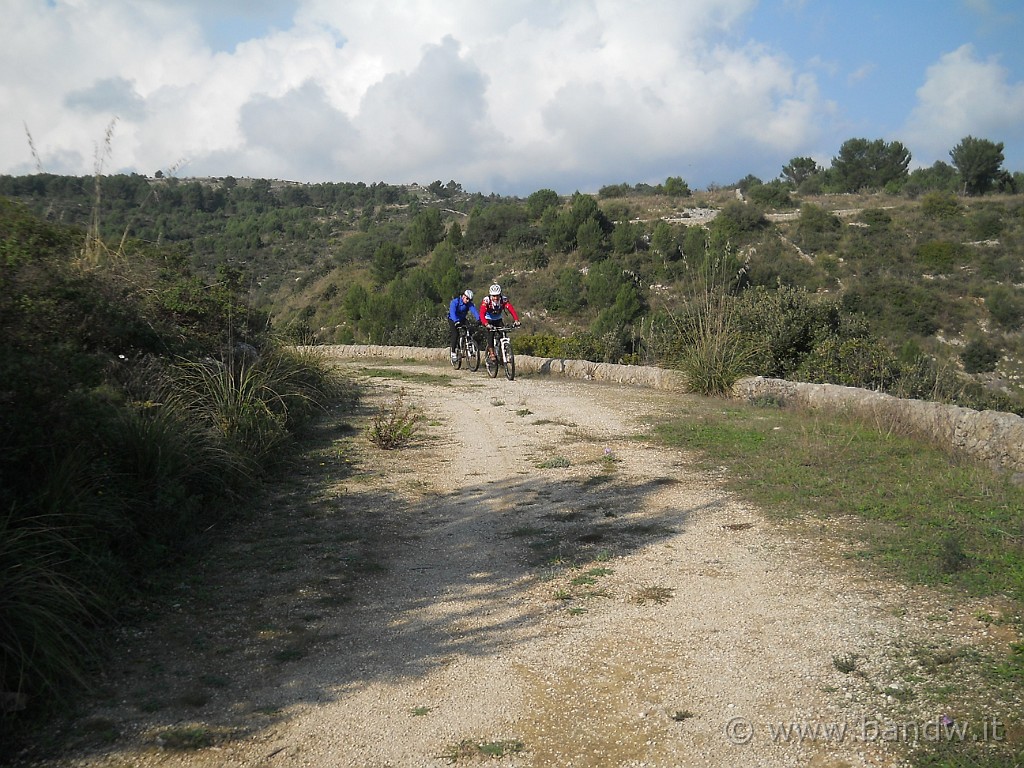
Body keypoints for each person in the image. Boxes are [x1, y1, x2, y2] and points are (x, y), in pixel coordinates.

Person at [479, 283, 520, 360]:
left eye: (497, 295)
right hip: (489, 320)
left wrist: (516, 320)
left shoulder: (503, 300)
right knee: (490, 334)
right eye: (493, 296)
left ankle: (503, 351)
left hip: (498, 319)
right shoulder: (486, 301)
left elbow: (511, 309)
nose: (495, 298)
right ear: (491, 295)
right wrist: (486, 323)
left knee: (503, 333)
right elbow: (481, 313)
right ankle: (491, 353)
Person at [448, 289, 480, 364]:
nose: (468, 301)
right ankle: (453, 353)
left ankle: (469, 345)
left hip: (462, 319)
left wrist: (479, 319)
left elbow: (474, 311)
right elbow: (452, 312)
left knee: (470, 329)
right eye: (467, 298)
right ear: (463, 296)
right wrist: (456, 321)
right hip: (453, 319)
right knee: (455, 334)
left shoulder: (469, 304)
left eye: (470, 299)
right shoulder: (455, 302)